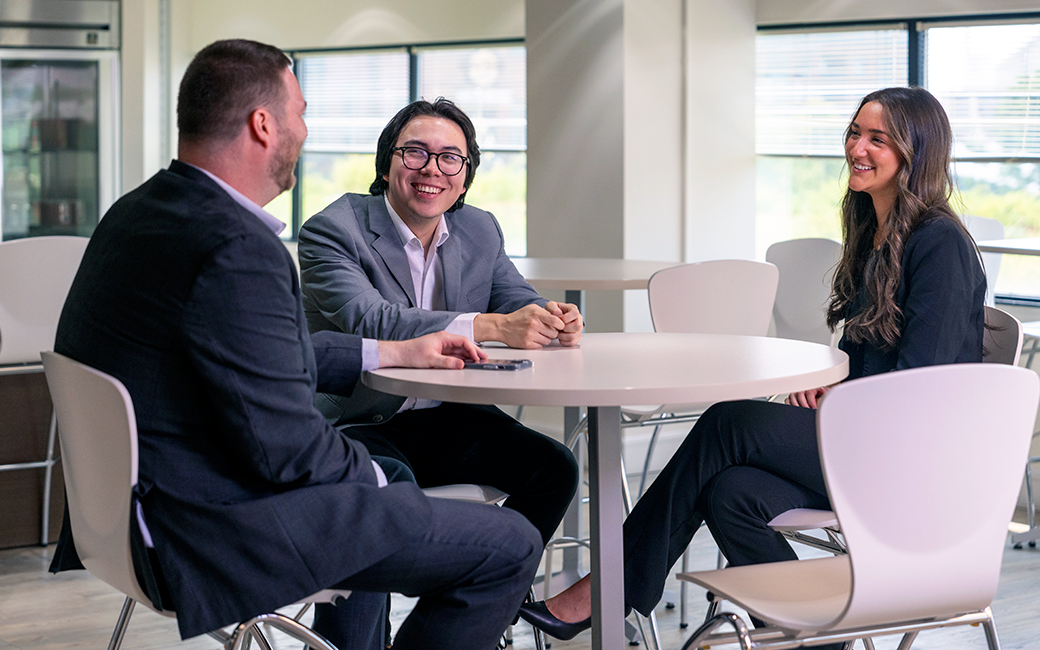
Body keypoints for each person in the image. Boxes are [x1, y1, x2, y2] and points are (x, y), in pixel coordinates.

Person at [47, 39, 543, 650]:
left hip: (135, 510)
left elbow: (252, 361)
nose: (305, 132)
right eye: (301, 113)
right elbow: (288, 451)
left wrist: (385, 352)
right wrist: (379, 488)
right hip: (209, 524)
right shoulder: (238, 247)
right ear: (263, 125)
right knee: (508, 543)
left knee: (391, 477)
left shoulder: (139, 213)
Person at [519, 86, 987, 646]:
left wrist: (842, 400)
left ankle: (607, 590)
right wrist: (831, 389)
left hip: (907, 459)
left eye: (877, 138)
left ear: (917, 152)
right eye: (854, 132)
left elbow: (920, 386)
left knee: (730, 421)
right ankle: (818, 638)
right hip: (865, 439)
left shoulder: (939, 243)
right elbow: (873, 360)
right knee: (732, 493)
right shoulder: (877, 232)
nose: (857, 147)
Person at [297, 98, 581, 544]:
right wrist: (491, 327)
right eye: (416, 153)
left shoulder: (479, 227)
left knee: (555, 469)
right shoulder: (333, 231)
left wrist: (552, 317)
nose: (432, 169)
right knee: (388, 488)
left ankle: (483, 606)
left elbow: (514, 298)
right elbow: (372, 320)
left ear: (465, 174)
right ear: (387, 163)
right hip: (359, 420)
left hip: (448, 415)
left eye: (450, 158)